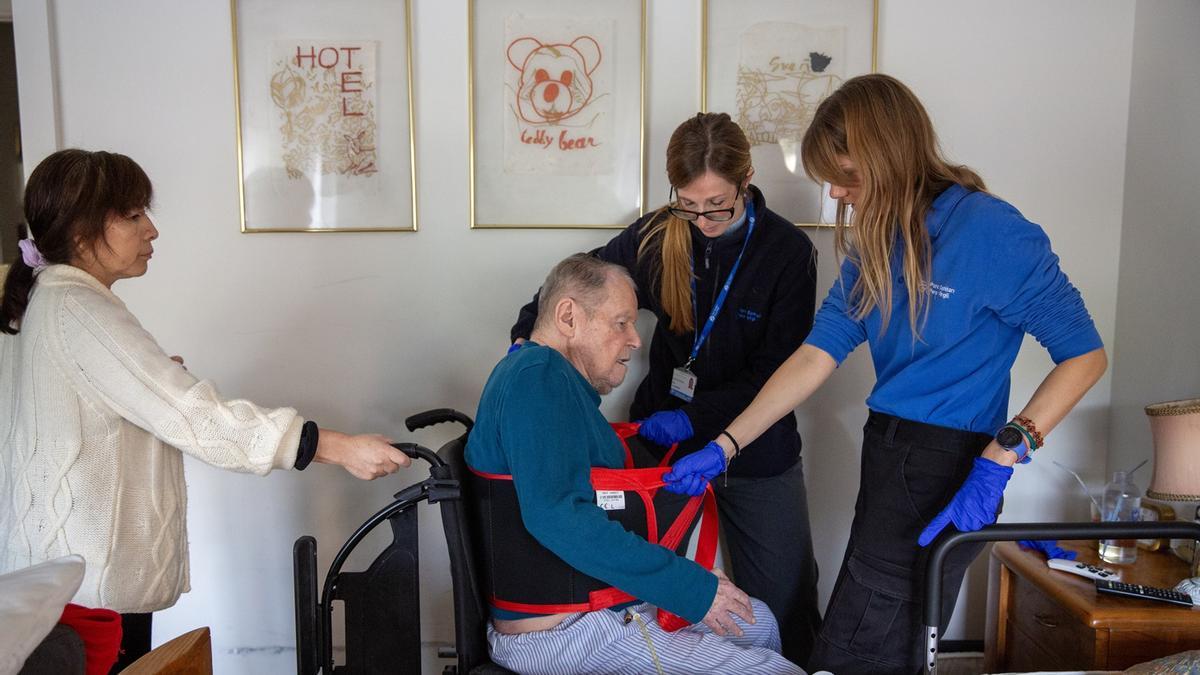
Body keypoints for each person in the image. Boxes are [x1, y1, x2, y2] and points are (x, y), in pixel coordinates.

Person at [665, 73, 1109, 674]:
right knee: (867, 641)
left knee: (860, 652)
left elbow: (1085, 355)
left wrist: (1003, 457)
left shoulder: (994, 233)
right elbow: (815, 354)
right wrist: (725, 444)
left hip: (949, 463)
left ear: (889, 154)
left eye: (846, 177)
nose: (838, 194)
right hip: (888, 450)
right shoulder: (880, 239)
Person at [0, 149, 412, 671]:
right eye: (132, 216)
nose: (151, 229)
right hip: (89, 589)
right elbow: (194, 416)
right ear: (81, 234)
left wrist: (146, 381)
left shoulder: (52, 300)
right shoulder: (79, 309)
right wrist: (338, 447)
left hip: (66, 576)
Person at [510, 112, 822, 665]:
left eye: (718, 204)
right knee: (652, 600)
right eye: (688, 203)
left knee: (782, 598)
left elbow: (780, 372)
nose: (702, 218)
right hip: (661, 441)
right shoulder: (656, 232)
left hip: (755, 443)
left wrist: (700, 420)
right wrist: (529, 344)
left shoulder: (786, 252)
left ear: (746, 178)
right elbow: (581, 287)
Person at [471, 254, 802, 674]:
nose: (636, 340)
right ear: (569, 316)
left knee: (759, 623)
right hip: (566, 630)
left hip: (598, 603)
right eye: (621, 322)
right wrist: (687, 586)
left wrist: (684, 578)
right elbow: (558, 515)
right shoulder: (537, 379)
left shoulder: (559, 385)